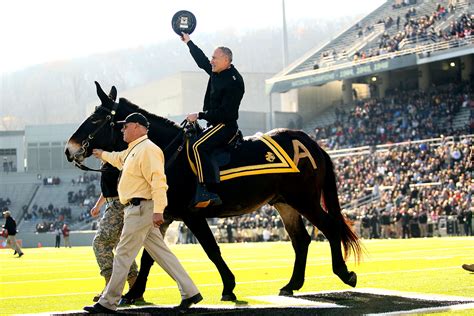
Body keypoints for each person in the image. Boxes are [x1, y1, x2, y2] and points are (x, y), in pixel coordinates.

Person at [84, 112, 202, 314]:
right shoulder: (133, 150)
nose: (122, 130)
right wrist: (102, 154)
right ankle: (190, 292)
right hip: (138, 208)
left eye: (125, 126)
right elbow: (118, 158)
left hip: (141, 208)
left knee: (123, 253)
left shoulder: (148, 150)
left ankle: (108, 301)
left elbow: (158, 181)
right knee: (163, 254)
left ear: (138, 127)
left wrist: (159, 210)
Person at [181, 32, 245, 209]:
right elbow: (202, 61)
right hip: (214, 123)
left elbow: (225, 113)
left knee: (196, 146)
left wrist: (200, 115)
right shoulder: (217, 70)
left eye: (215, 58)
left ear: (226, 60)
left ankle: (204, 190)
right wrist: (189, 42)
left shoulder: (234, 82)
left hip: (225, 126)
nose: (211, 61)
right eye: (212, 57)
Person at [88, 162, 138, 302]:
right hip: (115, 203)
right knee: (122, 245)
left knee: (100, 243)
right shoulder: (110, 160)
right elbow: (109, 189)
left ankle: (110, 287)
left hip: (118, 204)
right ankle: (135, 288)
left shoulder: (115, 159)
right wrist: (98, 205)